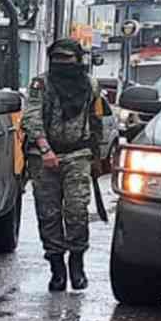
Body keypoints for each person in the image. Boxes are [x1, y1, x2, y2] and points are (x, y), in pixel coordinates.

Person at [24, 38, 106, 292]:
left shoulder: (91, 85)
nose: (62, 63)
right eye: (57, 58)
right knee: (48, 215)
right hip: (43, 156)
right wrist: (45, 149)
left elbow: (97, 120)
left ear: (78, 60)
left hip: (78, 155)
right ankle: (56, 268)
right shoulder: (41, 84)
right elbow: (31, 117)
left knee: (77, 210)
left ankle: (77, 264)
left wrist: (97, 157)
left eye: (67, 59)